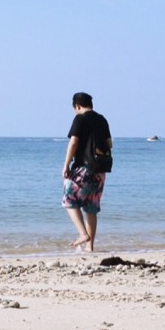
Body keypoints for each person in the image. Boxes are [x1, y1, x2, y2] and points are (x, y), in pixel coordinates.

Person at [61, 91, 111, 251]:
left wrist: (66, 164)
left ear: (77, 106)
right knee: (91, 206)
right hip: (100, 170)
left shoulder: (80, 118)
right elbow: (109, 144)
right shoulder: (102, 119)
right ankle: (90, 247)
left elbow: (74, 141)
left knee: (69, 199)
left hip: (84, 166)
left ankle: (83, 234)